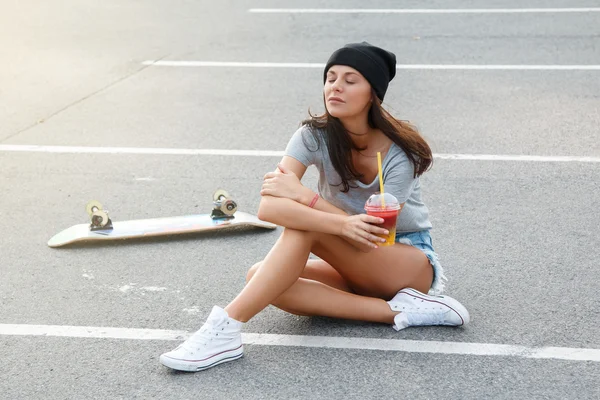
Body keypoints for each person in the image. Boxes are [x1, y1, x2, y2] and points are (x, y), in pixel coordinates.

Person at [159, 42, 470, 372]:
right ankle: (399, 312)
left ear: (372, 94)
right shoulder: (312, 136)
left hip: (404, 259)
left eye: (350, 80)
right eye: (331, 77)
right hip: (350, 259)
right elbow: (269, 208)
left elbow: (376, 234)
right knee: (261, 278)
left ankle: (227, 327)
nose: (335, 86)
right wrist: (338, 223)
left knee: (304, 226)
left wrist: (306, 198)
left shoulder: (398, 154)